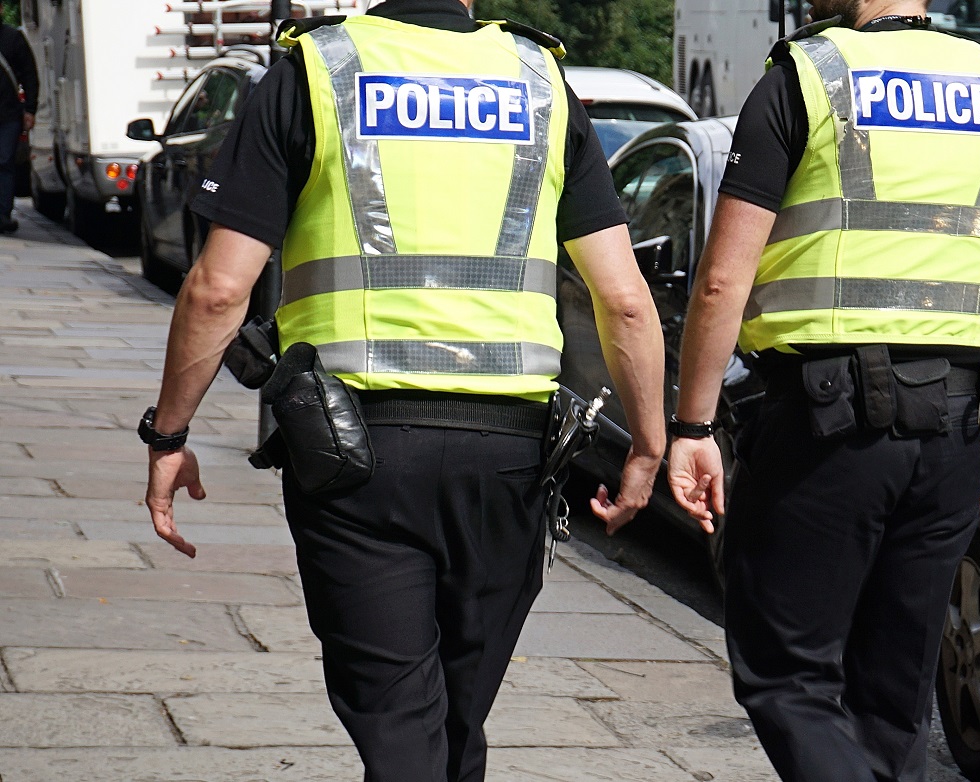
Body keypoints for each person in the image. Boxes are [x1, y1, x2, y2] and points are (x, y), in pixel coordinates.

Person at [141, 1, 667, 780]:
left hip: (355, 457)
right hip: (510, 461)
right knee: (457, 722)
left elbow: (218, 290)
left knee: (399, 725)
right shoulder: (539, 82)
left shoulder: (315, 71)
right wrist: (653, 443)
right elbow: (622, 298)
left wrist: (169, 436)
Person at [665, 0, 980, 779]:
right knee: (896, 697)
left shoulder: (808, 75)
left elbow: (721, 282)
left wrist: (692, 426)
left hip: (825, 425)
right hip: (953, 429)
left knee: (788, 673)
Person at [0, 0, 36, 234]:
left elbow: (30, 75)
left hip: (8, 115)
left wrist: (30, 109)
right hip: (9, 115)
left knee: (4, 162)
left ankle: (3, 214)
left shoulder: (13, 38)